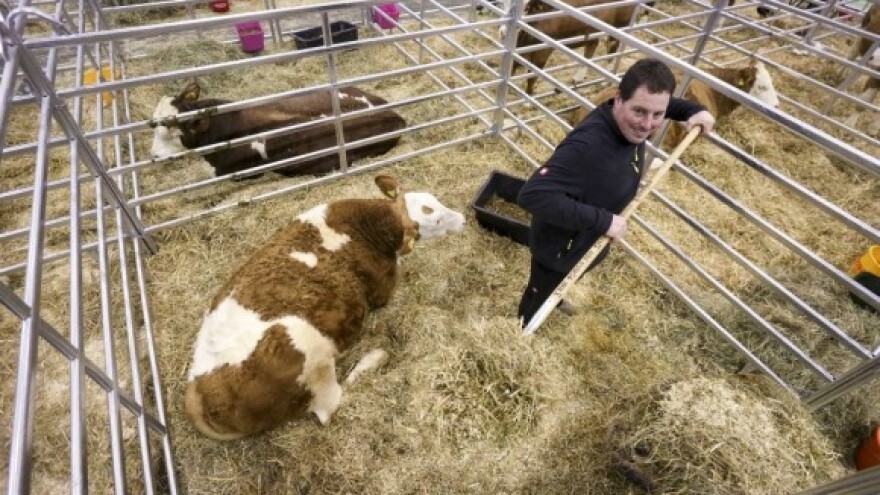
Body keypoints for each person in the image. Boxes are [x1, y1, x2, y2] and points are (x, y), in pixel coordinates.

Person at [516, 57, 715, 325]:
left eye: (658, 114)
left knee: (566, 278)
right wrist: (604, 221)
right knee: (541, 287)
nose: (647, 125)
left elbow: (658, 106)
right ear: (618, 99)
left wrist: (693, 111)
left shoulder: (631, 118)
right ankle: (528, 319)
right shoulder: (588, 146)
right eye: (639, 112)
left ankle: (554, 297)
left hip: (587, 236)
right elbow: (532, 195)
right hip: (561, 246)